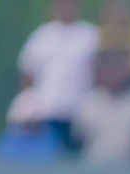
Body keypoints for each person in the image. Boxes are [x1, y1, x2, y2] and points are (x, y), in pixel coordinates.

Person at [19, 0, 103, 150]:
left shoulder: (90, 35)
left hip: (80, 113)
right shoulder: (42, 35)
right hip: (46, 112)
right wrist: (28, 108)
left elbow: (99, 73)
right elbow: (29, 75)